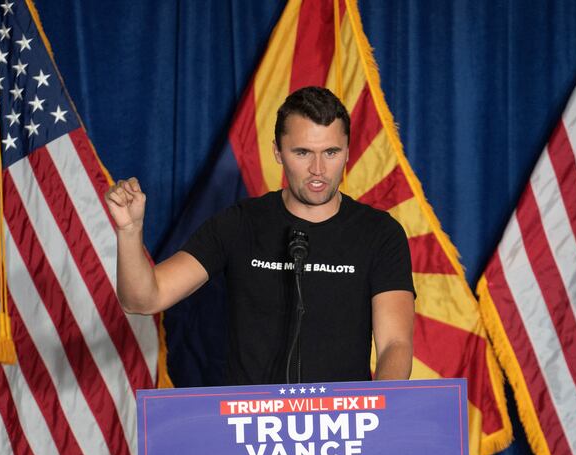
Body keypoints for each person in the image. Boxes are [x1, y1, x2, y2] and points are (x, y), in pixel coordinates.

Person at [105, 86, 414, 385]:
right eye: (303, 152)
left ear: (347, 151)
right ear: (277, 152)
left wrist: (379, 413)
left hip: (344, 427)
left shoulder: (380, 234)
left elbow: (395, 345)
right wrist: (129, 232)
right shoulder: (239, 223)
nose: (318, 169)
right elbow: (143, 300)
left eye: (331, 152)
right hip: (250, 429)